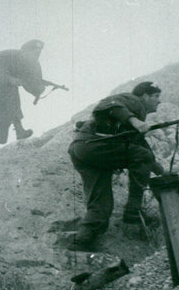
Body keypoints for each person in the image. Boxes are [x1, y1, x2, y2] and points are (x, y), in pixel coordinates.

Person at [67, 81, 165, 251]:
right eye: (156, 96)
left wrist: (160, 170)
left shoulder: (129, 116)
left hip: (83, 151)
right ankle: (133, 210)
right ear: (145, 96)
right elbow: (108, 104)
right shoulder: (133, 100)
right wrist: (135, 121)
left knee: (101, 205)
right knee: (143, 156)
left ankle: (81, 241)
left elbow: (141, 147)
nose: (159, 101)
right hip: (95, 145)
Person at [0, 39, 50, 149]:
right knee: (9, 96)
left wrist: (38, 90)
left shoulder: (33, 63)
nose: (36, 55)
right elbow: (0, 75)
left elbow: (31, 82)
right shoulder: (8, 56)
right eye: (33, 52)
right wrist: (12, 80)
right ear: (24, 52)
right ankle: (18, 130)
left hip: (6, 85)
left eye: (38, 52)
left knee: (8, 103)